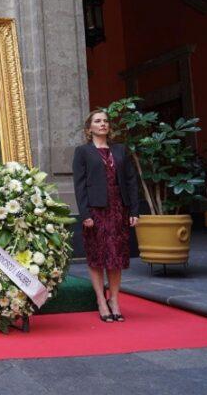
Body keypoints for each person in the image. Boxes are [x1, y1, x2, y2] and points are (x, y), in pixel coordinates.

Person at [72, 109, 139, 323]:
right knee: (97, 255)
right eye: (98, 121)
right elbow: (80, 185)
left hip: (118, 209)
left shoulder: (120, 150)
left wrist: (134, 210)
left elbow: (131, 181)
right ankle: (101, 300)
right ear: (89, 128)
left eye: (106, 121)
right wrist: (85, 213)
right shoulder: (82, 152)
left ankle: (115, 300)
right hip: (96, 211)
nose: (103, 124)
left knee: (116, 256)